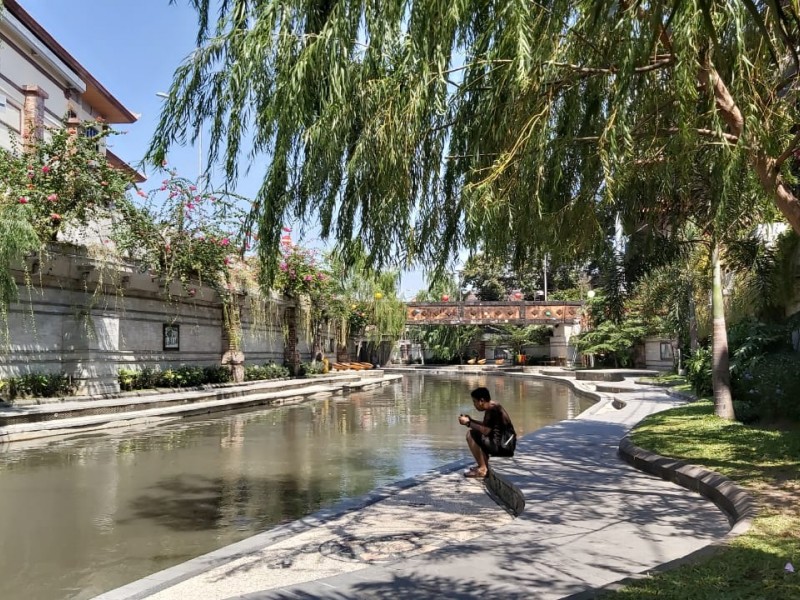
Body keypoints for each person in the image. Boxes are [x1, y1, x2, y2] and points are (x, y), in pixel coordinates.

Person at [458, 386, 516, 478]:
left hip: (503, 447)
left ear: (481, 401)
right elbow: (486, 426)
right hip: (507, 445)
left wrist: (468, 423)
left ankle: (482, 469)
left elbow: (485, 431)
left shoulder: (492, 410)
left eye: (474, 402)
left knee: (471, 434)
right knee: (477, 434)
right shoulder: (493, 406)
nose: (474, 405)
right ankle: (482, 465)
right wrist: (471, 420)